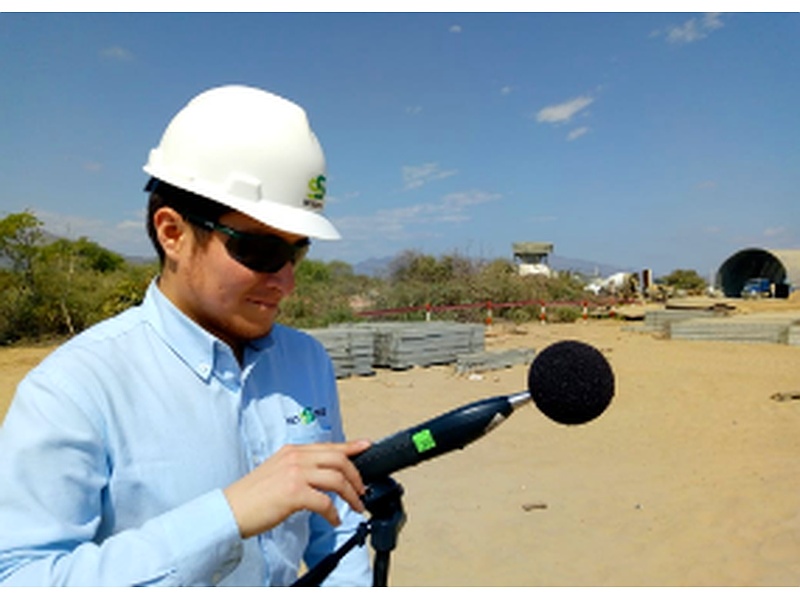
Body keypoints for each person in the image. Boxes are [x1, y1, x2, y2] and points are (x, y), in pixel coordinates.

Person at [0, 85, 373, 586]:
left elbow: (336, 521)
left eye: (296, 252)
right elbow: (19, 578)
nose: (286, 280)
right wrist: (225, 517)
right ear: (172, 232)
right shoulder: (75, 388)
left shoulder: (306, 360)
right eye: (260, 252)